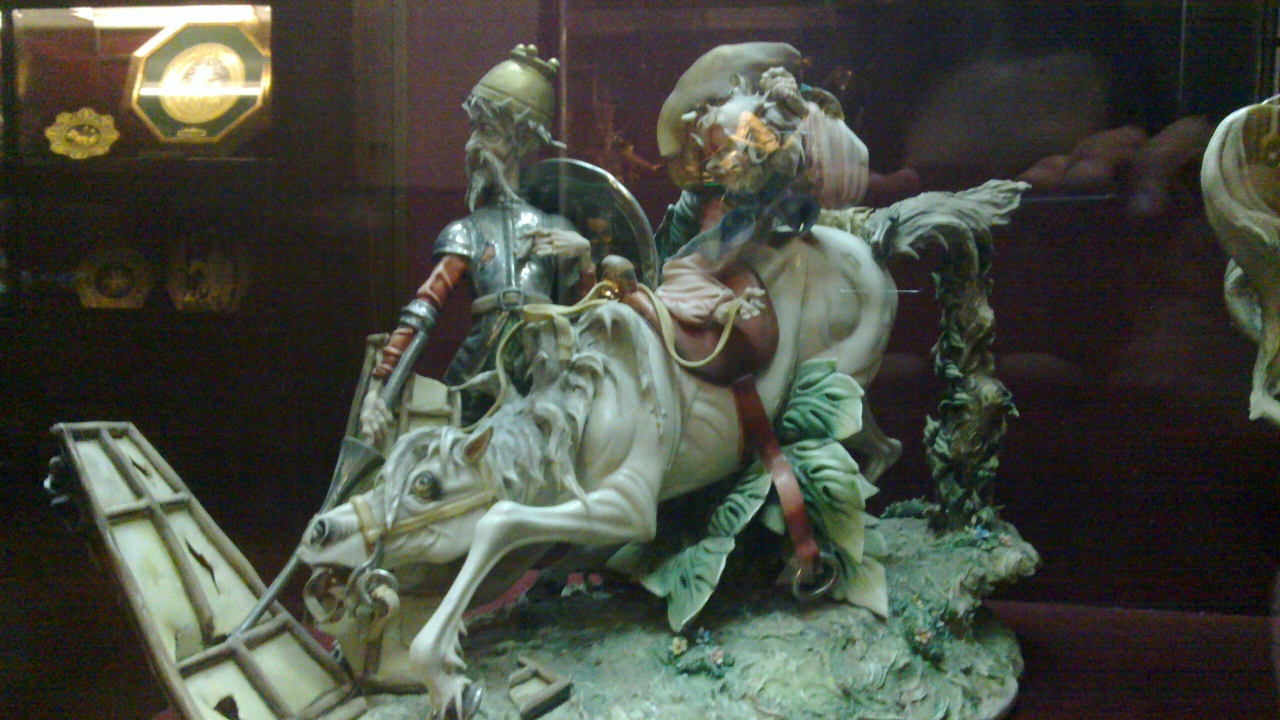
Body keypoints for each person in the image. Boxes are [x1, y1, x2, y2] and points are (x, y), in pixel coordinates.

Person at [359, 44, 596, 444]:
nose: (472, 145)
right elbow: (423, 312)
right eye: (474, 130)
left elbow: (587, 321)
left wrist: (585, 259)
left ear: (522, 141)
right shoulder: (466, 232)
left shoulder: (558, 229)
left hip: (546, 378)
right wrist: (380, 390)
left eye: (487, 132)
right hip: (479, 380)